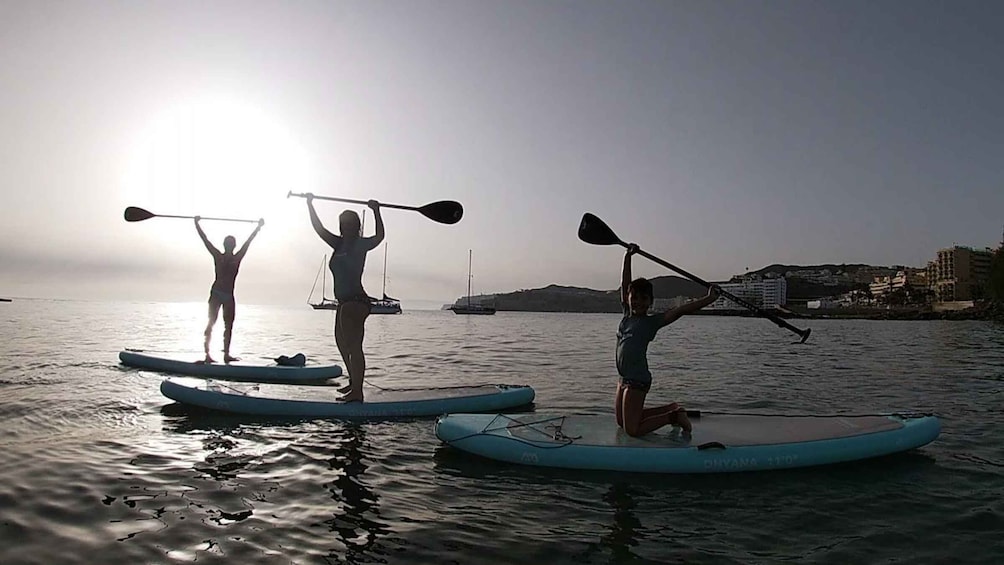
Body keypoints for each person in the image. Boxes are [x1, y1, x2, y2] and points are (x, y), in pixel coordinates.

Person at [615, 243, 719, 437]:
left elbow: (680, 310)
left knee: (633, 430)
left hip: (637, 380)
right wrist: (628, 257)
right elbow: (625, 282)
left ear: (650, 302)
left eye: (644, 299)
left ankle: (674, 417)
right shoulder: (626, 315)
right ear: (628, 298)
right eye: (634, 297)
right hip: (623, 379)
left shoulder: (651, 323)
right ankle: (672, 408)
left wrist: (709, 299)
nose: (638, 301)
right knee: (621, 422)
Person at [305, 194, 384, 402]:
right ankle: (353, 382)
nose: (345, 227)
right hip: (343, 303)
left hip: (357, 302)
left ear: (356, 226)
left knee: (354, 345)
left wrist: (376, 211)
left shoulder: (361, 244)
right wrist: (309, 204)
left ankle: (357, 392)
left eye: (349, 224)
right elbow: (318, 228)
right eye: (343, 224)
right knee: (341, 344)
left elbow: (380, 236)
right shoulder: (337, 244)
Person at [195, 216, 264, 364]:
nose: (230, 246)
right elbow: (205, 240)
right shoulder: (219, 256)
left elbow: (248, 242)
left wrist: (258, 228)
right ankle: (207, 354)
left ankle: (226, 354)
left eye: (231, 244)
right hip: (217, 293)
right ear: (227, 245)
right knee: (211, 322)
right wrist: (197, 224)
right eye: (229, 244)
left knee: (228, 324)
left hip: (228, 295)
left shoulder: (234, 257)